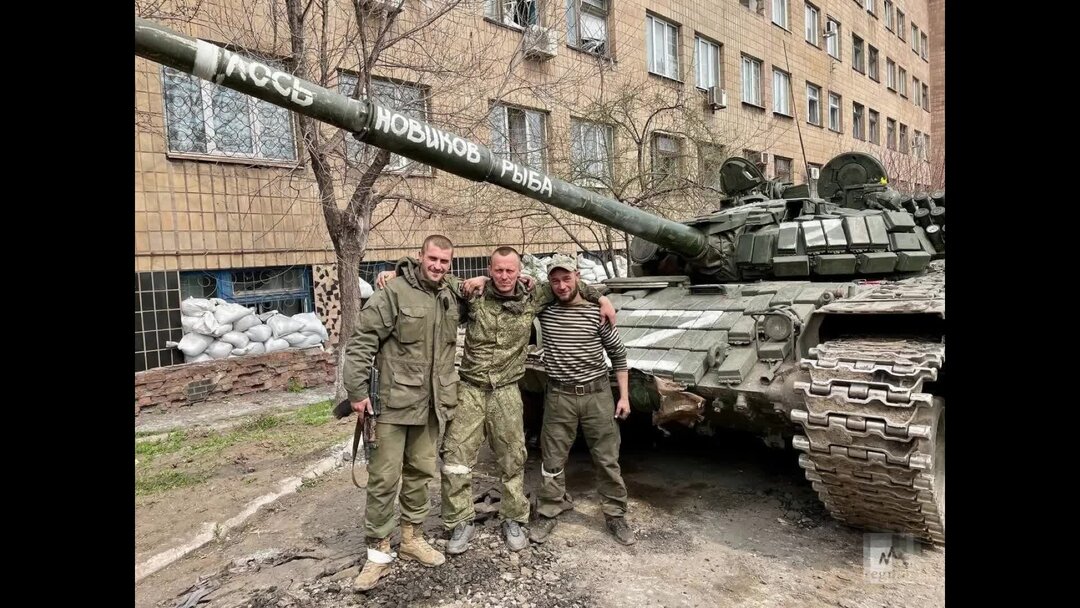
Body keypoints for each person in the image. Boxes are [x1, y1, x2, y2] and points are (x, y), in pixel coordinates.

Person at [376, 248, 616, 554]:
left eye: (510, 271)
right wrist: (397, 272)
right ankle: (459, 521)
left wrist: (602, 298)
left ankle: (513, 517)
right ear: (490, 270)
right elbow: (434, 275)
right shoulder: (473, 293)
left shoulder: (533, 295)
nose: (504, 276)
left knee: (513, 456)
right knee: (455, 458)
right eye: (499, 270)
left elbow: (566, 283)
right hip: (471, 389)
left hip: (506, 390)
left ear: (519, 272)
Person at [343, 234, 466, 592]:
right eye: (433, 259)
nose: (438, 266)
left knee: (420, 474)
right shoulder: (394, 292)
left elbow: (482, 289)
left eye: (445, 261)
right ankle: (378, 554)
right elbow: (363, 340)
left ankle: (411, 539)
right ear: (419, 257)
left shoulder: (449, 293)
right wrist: (357, 392)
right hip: (392, 405)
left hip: (431, 405)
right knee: (383, 479)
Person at [528, 254, 636, 546]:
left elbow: (619, 356)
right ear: (549, 282)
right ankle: (550, 509)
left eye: (566, 278)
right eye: (555, 280)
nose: (562, 285)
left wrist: (623, 397)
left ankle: (615, 515)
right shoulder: (545, 310)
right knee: (551, 458)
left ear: (577, 276)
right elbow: (518, 288)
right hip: (560, 395)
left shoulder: (595, 312)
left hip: (597, 395)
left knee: (606, 458)